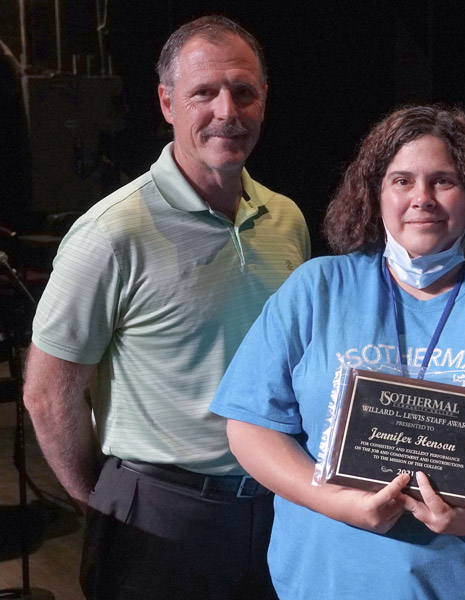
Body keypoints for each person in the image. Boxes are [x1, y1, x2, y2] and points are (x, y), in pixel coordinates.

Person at [209, 104, 465, 599]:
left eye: (443, 181)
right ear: (374, 194)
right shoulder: (316, 289)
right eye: (402, 181)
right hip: (335, 583)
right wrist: (337, 502)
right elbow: (250, 426)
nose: (421, 199)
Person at [22, 15, 310, 600]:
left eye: (244, 91)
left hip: (278, 506)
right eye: (203, 92)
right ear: (166, 103)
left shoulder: (286, 219)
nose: (227, 111)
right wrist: (100, 504)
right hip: (158, 518)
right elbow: (47, 392)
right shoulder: (110, 233)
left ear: (264, 102)